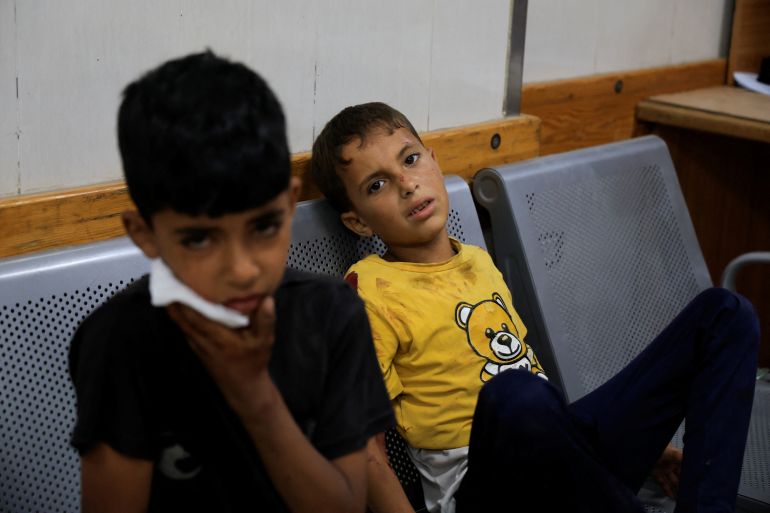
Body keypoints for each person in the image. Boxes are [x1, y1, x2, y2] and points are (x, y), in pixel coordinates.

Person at [309, 101, 760, 513]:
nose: (407, 185)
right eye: (378, 184)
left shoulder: (476, 261)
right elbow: (363, 446)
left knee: (724, 315)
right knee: (515, 394)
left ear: (434, 160)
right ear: (357, 220)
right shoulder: (372, 291)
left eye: (410, 159)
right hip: (488, 489)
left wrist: (644, 450)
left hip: (561, 462)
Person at [68, 52, 393, 513]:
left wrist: (254, 396)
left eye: (263, 227)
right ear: (144, 235)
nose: (241, 269)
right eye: (199, 239)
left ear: (290, 202)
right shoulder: (122, 340)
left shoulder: (330, 314)